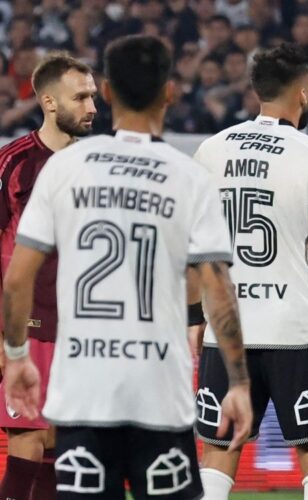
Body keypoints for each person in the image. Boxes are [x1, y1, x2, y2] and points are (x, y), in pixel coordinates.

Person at [1, 35, 253, 499]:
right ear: (170, 92)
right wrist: (238, 382)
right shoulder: (190, 178)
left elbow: (17, 275)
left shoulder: (66, 169)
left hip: (84, 387)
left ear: (110, 92)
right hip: (158, 387)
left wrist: (14, 356)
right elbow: (217, 287)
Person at [192, 42, 308, 500]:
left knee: (218, 455)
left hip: (226, 328)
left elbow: (196, 249)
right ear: (304, 92)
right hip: (293, 330)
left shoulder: (210, 151)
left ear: (256, 91)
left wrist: (196, 318)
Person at [0, 52, 96, 500]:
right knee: (27, 441)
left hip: (84, 330)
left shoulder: (100, 166)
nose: (92, 107)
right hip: (29, 328)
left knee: (62, 448)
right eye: (81, 97)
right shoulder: (13, 164)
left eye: (93, 97)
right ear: (49, 102)